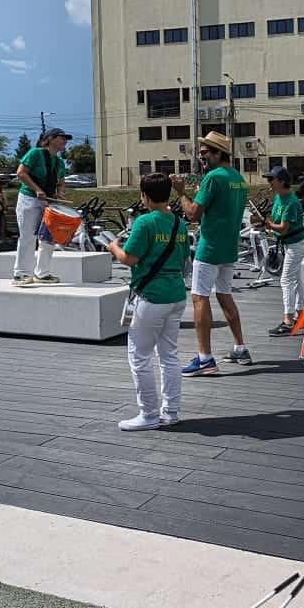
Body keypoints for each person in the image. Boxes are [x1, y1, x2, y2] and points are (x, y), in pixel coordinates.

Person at [106, 173, 190, 431]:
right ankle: (171, 411)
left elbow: (129, 259)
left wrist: (113, 247)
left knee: (139, 356)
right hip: (176, 295)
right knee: (169, 356)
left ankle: (149, 414)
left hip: (150, 297)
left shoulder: (144, 223)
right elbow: (185, 262)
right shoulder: (179, 223)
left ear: (144, 196)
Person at [172, 131, 251, 375]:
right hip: (229, 247)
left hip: (210, 247)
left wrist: (180, 192)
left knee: (199, 297)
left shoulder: (213, 178)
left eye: (206, 151)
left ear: (219, 153)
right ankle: (240, 347)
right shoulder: (238, 177)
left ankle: (205, 358)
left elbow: (193, 214)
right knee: (224, 295)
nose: (202, 155)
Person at [13, 129, 70, 286]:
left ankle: (42, 273)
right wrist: (37, 189)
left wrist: (60, 192)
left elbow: (61, 180)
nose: (65, 141)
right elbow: (21, 173)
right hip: (29, 199)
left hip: (49, 202)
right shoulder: (35, 153)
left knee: (48, 238)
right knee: (28, 236)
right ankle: (21, 274)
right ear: (50, 139)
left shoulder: (59, 162)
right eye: (62, 138)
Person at [256, 166, 304, 335]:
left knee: (286, 280)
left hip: (296, 244)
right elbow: (275, 222)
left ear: (281, 181)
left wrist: (269, 225)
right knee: (296, 279)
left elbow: (283, 228)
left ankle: (288, 319)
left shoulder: (291, 202)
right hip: (290, 243)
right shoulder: (279, 198)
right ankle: (301, 315)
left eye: (271, 179)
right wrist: (263, 223)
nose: (269, 182)